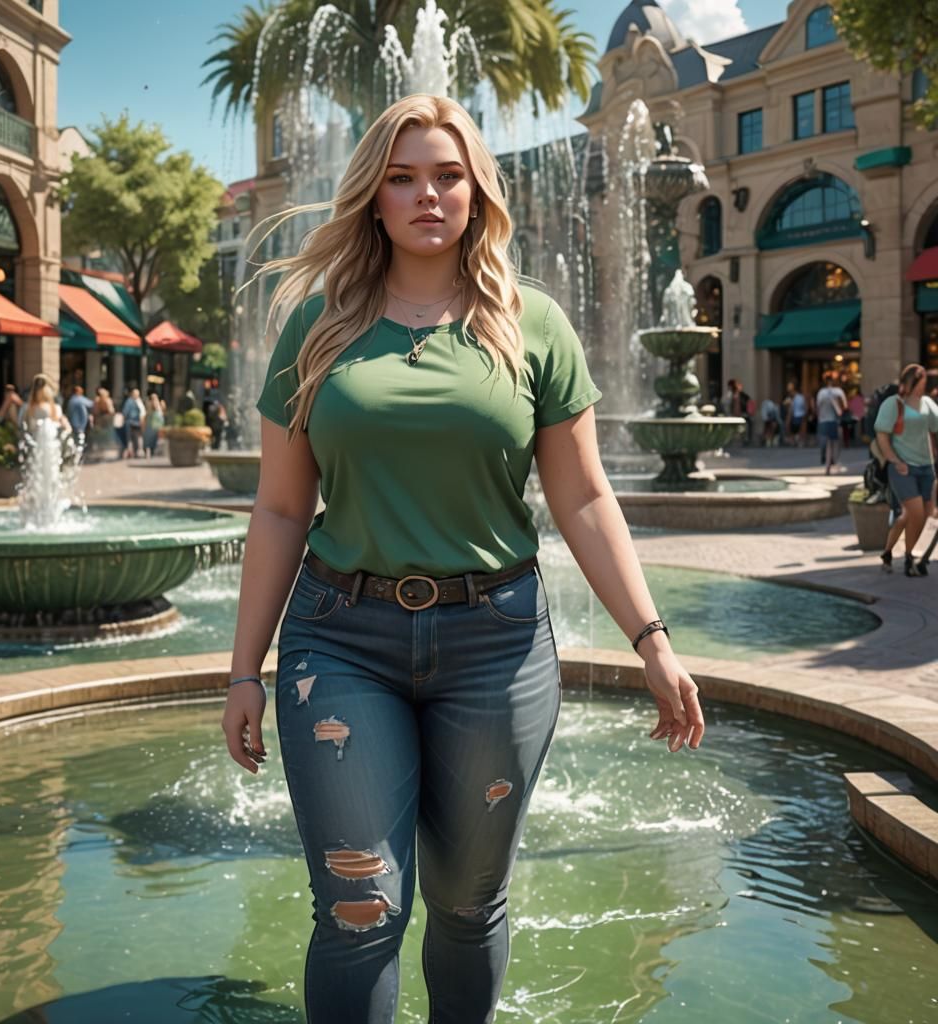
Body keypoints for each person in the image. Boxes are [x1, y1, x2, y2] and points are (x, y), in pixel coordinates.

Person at [221, 94, 705, 1024]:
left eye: (447, 175)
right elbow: (282, 508)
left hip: (498, 645)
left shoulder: (536, 325)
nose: (426, 195)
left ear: (479, 191)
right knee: (361, 911)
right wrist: (245, 668)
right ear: (373, 198)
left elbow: (585, 497)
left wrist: (652, 638)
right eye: (401, 178)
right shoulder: (317, 327)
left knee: (467, 905)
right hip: (340, 641)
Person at [875, 363, 938, 576]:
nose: (923, 387)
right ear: (911, 382)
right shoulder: (894, 403)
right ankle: (910, 559)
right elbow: (882, 435)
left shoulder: (928, 403)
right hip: (903, 469)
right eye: (921, 383)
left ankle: (888, 553)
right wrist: (894, 460)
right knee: (914, 514)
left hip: (926, 468)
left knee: (925, 516)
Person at [815, 371, 848, 475]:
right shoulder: (838, 391)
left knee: (827, 442)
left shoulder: (821, 393)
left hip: (823, 420)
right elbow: (845, 406)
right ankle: (832, 461)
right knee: (835, 443)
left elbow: (818, 408)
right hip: (834, 420)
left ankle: (827, 463)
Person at [66, 385, 94, 456]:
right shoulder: (79, 399)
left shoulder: (71, 400)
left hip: (73, 423)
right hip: (79, 424)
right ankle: (78, 455)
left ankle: (75, 455)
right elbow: (91, 404)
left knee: (74, 440)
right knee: (80, 442)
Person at [121, 387, 145, 458]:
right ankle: (131, 453)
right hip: (131, 422)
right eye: (135, 394)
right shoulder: (129, 401)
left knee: (136, 438)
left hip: (137, 423)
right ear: (132, 394)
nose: (137, 395)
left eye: (138, 394)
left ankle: (136, 452)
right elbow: (125, 412)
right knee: (130, 439)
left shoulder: (139, 401)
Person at [784, 381, 807, 447]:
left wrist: (804, 415)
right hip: (793, 416)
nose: (790, 393)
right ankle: (793, 439)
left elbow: (804, 407)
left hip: (799, 415)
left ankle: (799, 440)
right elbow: (788, 409)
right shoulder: (789, 398)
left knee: (800, 427)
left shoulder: (800, 397)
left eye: (791, 391)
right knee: (789, 426)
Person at [142, 392, 164, 457]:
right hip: (153, 423)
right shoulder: (151, 404)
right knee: (150, 438)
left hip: (156, 423)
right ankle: (149, 451)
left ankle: (151, 451)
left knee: (153, 438)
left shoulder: (157, 404)